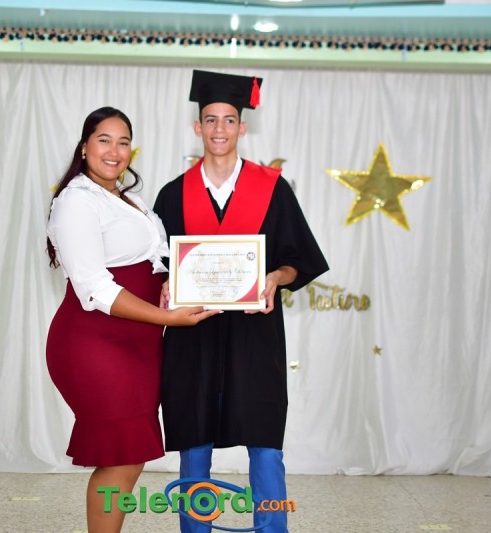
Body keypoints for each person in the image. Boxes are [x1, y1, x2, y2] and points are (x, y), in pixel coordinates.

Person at [153, 71, 329, 533]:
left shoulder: (273, 189)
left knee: (265, 443)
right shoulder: (172, 195)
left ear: (242, 128)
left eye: (229, 120)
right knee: (195, 445)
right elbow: (158, 267)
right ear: (197, 127)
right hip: (194, 335)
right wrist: (166, 284)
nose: (219, 129)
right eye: (210, 120)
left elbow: (298, 261)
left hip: (255, 335)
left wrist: (273, 278)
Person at [45, 106, 219, 533]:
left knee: (129, 456)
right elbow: (94, 288)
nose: (115, 150)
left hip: (138, 346)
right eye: (104, 140)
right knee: (120, 457)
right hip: (96, 344)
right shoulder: (76, 201)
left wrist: (169, 284)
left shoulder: (130, 199)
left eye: (123, 142)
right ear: (84, 147)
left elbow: (153, 262)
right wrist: (168, 317)